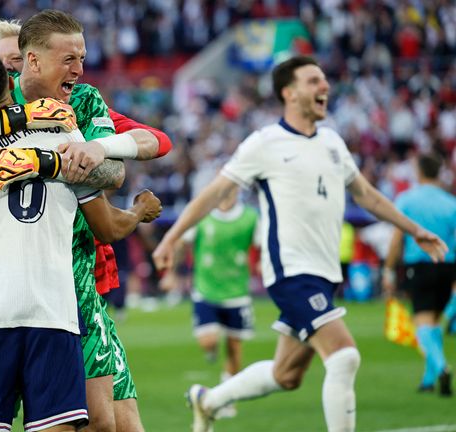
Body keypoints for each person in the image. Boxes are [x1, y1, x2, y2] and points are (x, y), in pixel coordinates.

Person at [151, 56, 448, 432]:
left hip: (325, 275)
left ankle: (208, 401)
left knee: (286, 374)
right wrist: (173, 238)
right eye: (313, 81)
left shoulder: (333, 142)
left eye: (323, 79)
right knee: (344, 357)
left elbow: (368, 196)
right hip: (291, 271)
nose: (324, 86)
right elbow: (215, 193)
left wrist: (414, 230)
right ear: (289, 93)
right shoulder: (264, 143)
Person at [0, 12, 172, 432]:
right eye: (69, 59)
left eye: (82, 57)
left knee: (107, 421)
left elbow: (136, 157)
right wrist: (27, 124)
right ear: (28, 62)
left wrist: (75, 154)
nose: (79, 69)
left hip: (73, 276)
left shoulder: (81, 103)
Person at [165, 185, 259, 418]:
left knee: (235, 348)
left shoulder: (250, 217)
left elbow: (262, 246)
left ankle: (227, 399)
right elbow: (181, 243)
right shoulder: (202, 215)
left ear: (237, 191)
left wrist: (263, 265)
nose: (227, 193)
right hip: (206, 289)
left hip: (237, 292)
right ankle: (211, 350)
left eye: (232, 189)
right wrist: (172, 272)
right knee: (208, 341)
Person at [382, 152, 456, 396]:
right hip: (447, 265)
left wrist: (389, 270)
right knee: (434, 322)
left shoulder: (407, 200)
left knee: (422, 322)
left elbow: (396, 240)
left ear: (420, 172)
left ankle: (442, 367)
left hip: (420, 266)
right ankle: (429, 378)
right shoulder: (451, 203)